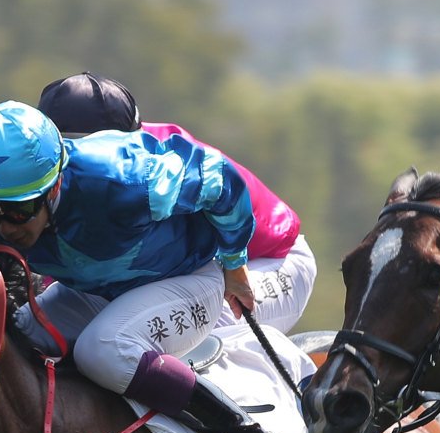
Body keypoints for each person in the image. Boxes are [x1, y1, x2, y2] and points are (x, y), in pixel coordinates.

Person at [0, 100, 301, 433]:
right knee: (19, 340)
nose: (3, 227)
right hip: (97, 289)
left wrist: (235, 264)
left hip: (185, 280)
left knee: (102, 350)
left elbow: (220, 178)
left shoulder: (121, 176)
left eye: (20, 210)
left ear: (55, 185)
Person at [35, 71, 315, 334]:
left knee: (183, 332)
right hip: (190, 271)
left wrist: (233, 262)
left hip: (269, 260)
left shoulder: (146, 175)